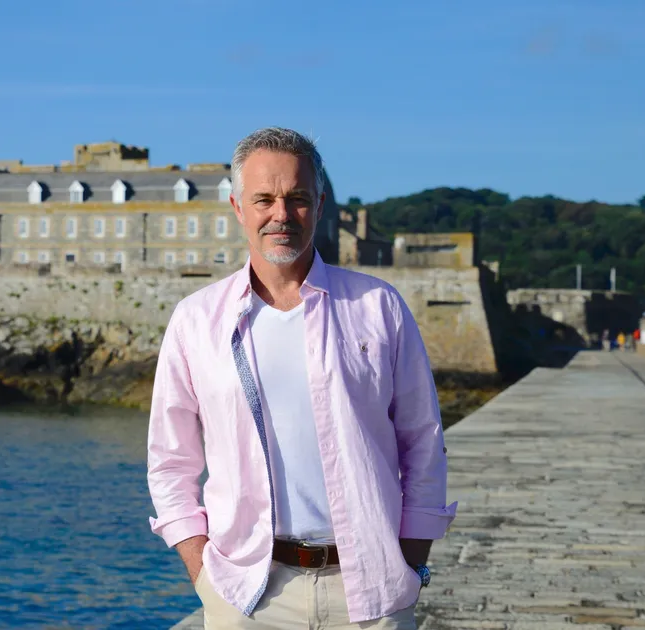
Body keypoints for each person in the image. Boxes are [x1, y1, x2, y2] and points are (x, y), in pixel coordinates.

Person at [146, 127, 456, 629]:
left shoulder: (379, 308)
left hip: (370, 591)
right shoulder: (196, 320)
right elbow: (169, 459)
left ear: (321, 203)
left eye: (298, 199)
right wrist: (200, 567)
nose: (281, 215)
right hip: (247, 592)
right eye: (263, 199)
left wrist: (411, 560)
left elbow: (423, 441)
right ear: (237, 206)